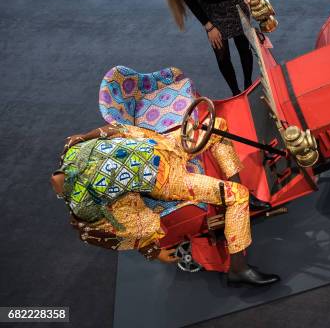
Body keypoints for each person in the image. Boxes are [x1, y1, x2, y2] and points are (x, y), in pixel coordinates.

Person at [51, 120, 279, 286]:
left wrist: (92, 135)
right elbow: (119, 226)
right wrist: (152, 250)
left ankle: (241, 189)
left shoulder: (72, 152)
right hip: (168, 181)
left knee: (215, 125)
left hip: (162, 146)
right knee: (236, 195)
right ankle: (238, 268)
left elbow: (111, 131)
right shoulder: (87, 201)